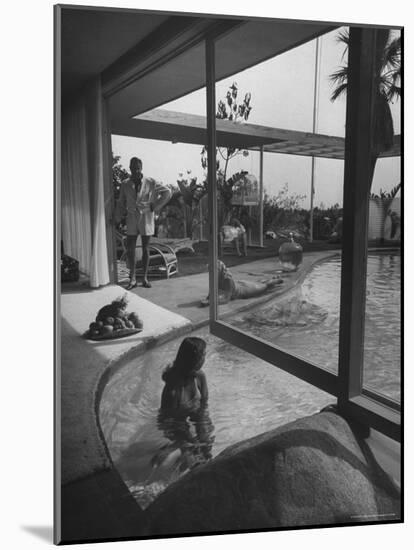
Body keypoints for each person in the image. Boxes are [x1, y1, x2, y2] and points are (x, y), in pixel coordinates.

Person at [115, 157, 171, 289]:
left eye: (138, 168)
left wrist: (154, 206)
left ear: (141, 168)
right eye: (133, 168)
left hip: (146, 218)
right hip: (131, 218)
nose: (135, 171)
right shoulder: (125, 184)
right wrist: (116, 218)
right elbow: (121, 202)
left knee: (145, 248)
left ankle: (145, 278)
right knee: (130, 249)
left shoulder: (150, 182)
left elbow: (168, 192)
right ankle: (132, 279)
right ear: (130, 168)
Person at [200, 260, 283, 307]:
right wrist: (208, 298)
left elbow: (226, 299)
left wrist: (210, 302)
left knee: (264, 286)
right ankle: (271, 278)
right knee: (259, 282)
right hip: (239, 284)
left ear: (220, 270)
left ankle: (276, 281)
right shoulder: (215, 277)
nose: (210, 272)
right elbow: (212, 291)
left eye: (212, 270)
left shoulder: (227, 280)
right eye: (210, 270)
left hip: (244, 290)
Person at [160, 337, 208, 414]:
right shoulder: (172, 390)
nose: (204, 359)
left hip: (197, 410)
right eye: (203, 355)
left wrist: (203, 422)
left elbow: (204, 403)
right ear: (195, 359)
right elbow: (165, 419)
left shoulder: (200, 376)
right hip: (177, 419)